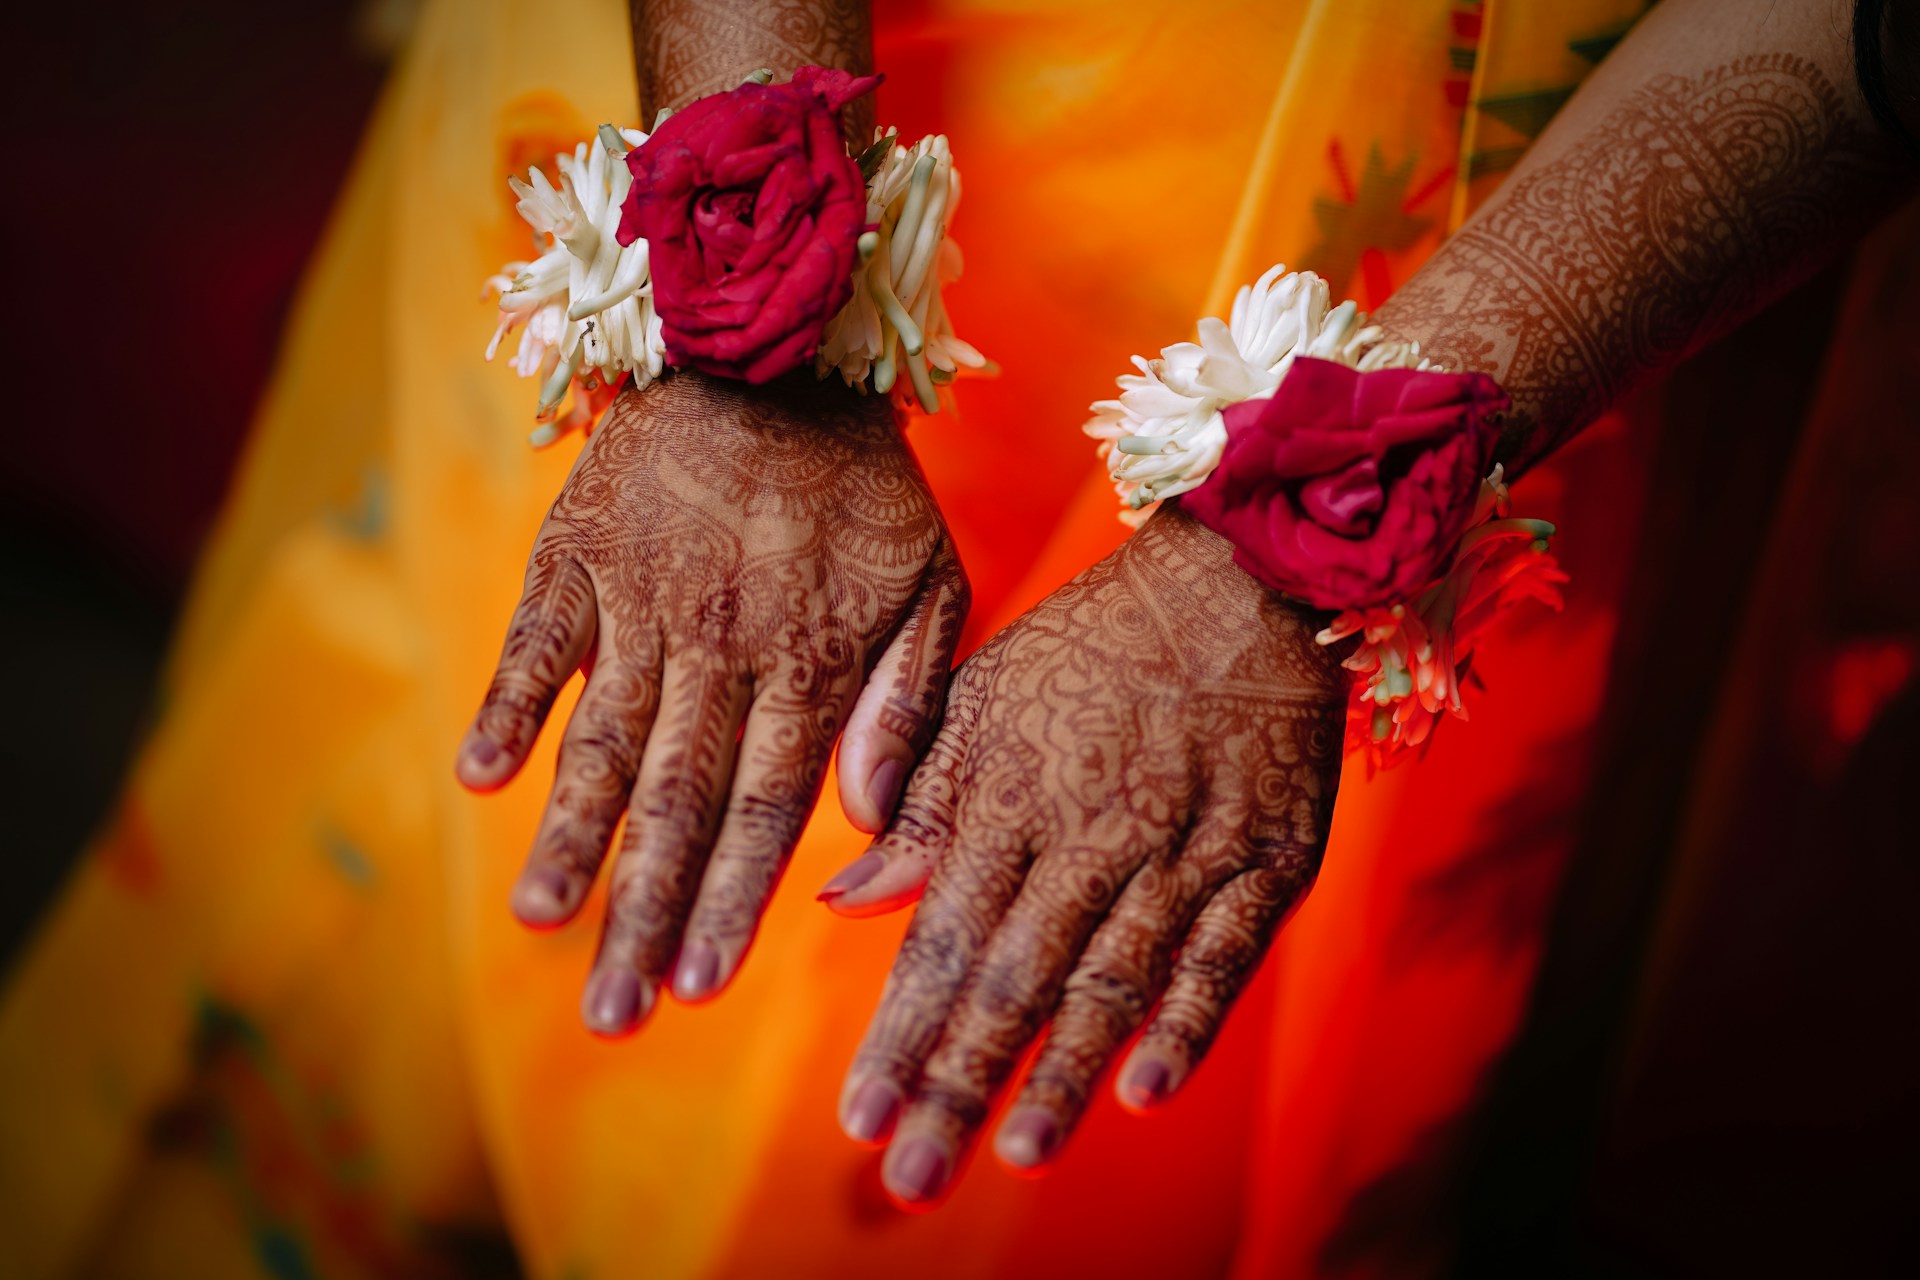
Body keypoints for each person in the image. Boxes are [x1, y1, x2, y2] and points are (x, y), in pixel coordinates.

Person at [2, 0, 1913, 1276]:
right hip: (822, 49)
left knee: (1131, 1039)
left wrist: (1307, 536)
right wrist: (752, 280)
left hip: (1547, 236)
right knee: (551, 776)